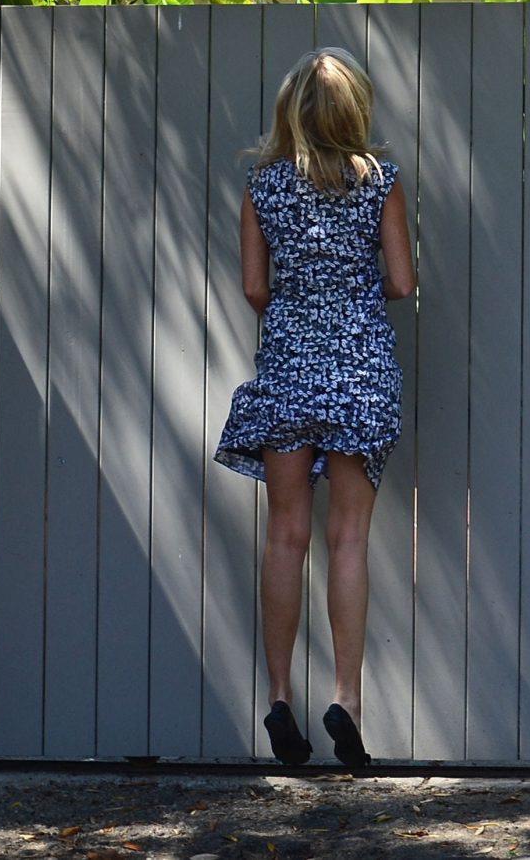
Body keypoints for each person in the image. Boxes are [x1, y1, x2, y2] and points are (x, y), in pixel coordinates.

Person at [214, 47, 415, 770]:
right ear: (354, 110)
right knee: (349, 539)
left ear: (291, 112)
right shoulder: (381, 182)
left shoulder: (262, 188)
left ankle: (277, 699)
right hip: (359, 372)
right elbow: (400, 281)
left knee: (286, 538)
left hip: (290, 371)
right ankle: (346, 701)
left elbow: (254, 292)